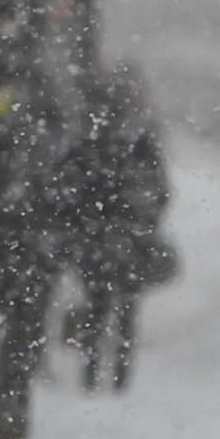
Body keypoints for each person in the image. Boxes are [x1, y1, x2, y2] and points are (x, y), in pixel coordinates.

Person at [54, 66, 176, 391]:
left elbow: (68, 189)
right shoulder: (138, 140)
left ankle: (92, 374)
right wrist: (143, 222)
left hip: (94, 240)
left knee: (96, 308)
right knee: (124, 312)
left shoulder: (88, 140)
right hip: (127, 240)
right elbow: (160, 190)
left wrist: (79, 227)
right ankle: (118, 377)